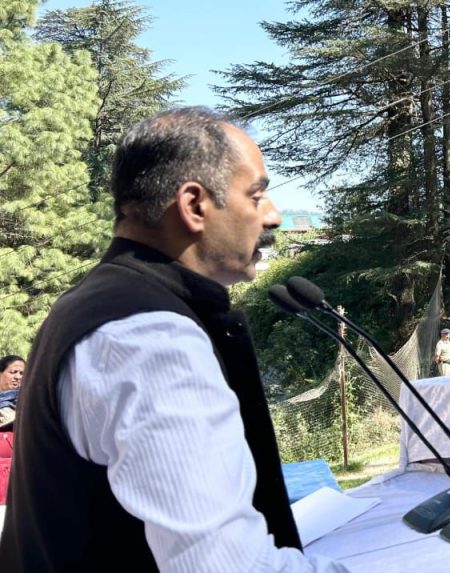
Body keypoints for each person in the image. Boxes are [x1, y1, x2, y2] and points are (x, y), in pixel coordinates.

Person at [0, 108, 350, 571]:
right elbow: (225, 566)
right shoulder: (148, 338)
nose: (273, 216)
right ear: (194, 205)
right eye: (256, 195)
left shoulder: (93, 306)